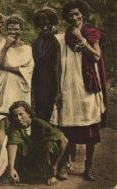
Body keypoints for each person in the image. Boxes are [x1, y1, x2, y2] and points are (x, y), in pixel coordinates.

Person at [49, 0, 106, 181]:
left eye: (77, 14)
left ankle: (88, 168)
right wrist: (58, 90)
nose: (74, 17)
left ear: (83, 14)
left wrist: (81, 39)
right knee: (69, 127)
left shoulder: (91, 34)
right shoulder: (61, 38)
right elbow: (58, 66)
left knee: (90, 127)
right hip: (69, 86)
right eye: (70, 15)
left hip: (88, 87)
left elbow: (96, 56)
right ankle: (65, 165)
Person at [6, 101, 68, 186]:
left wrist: (55, 165)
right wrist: (11, 168)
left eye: (21, 114)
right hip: (33, 159)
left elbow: (64, 140)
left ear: (28, 113)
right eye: (15, 116)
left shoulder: (39, 123)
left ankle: (50, 175)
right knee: (20, 147)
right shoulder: (16, 127)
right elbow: (12, 145)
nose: (19, 118)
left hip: (47, 158)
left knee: (49, 145)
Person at [0, 15, 34, 114]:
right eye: (10, 29)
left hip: (20, 86)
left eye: (16, 29)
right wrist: (6, 46)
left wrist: (6, 67)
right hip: (4, 86)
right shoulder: (1, 46)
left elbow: (27, 70)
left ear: (21, 30)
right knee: (4, 112)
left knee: (20, 112)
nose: (13, 32)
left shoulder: (27, 49)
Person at [32, 7, 61, 121]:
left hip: (55, 81)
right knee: (41, 113)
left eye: (48, 24)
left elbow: (59, 64)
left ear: (53, 24)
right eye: (41, 24)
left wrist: (59, 89)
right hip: (39, 82)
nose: (44, 27)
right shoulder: (35, 43)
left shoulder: (58, 40)